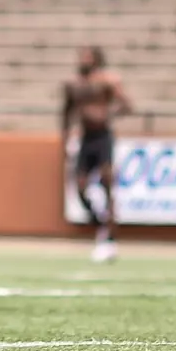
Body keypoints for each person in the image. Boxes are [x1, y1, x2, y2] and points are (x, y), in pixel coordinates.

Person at [62, 46, 134, 264]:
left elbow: (127, 105)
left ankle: (110, 237)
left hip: (103, 137)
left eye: (88, 57)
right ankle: (100, 224)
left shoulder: (108, 81)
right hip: (85, 138)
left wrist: (106, 115)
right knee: (80, 187)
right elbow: (66, 113)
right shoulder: (73, 84)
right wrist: (64, 140)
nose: (83, 60)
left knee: (106, 183)